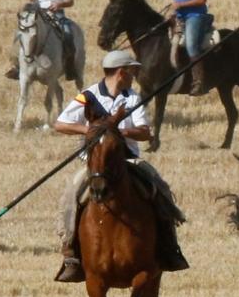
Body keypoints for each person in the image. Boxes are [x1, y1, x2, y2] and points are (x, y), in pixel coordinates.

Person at [53, 50, 188, 282]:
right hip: (94, 162)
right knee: (72, 194)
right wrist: (91, 131)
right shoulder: (88, 96)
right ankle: (70, 253)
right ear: (121, 72)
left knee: (159, 186)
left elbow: (145, 132)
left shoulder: (132, 97)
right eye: (132, 70)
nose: (134, 75)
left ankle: (170, 247)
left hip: (128, 160)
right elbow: (61, 124)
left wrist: (118, 132)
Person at [6, 0, 77, 80]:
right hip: (39, 13)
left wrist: (59, 4)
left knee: (68, 35)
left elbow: (70, 1)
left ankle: (70, 67)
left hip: (56, 14)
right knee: (20, 33)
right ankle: (16, 65)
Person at [166, 0, 212, 95]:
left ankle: (199, 82)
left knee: (191, 45)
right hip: (179, 16)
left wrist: (181, 4)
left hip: (194, 16)